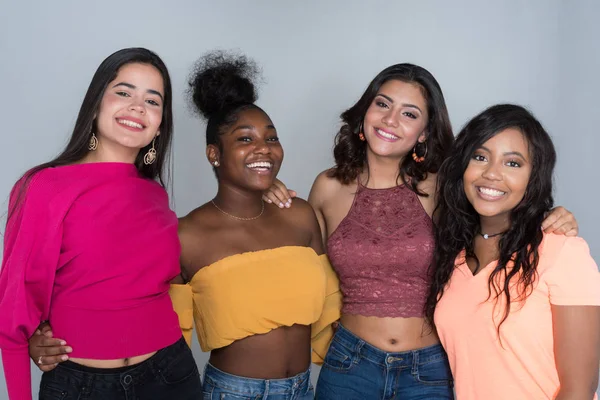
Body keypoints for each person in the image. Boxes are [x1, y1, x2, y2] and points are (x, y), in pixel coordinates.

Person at [28, 51, 341, 400]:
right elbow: (124, 291)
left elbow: (332, 302)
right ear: (214, 154)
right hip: (229, 391)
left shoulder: (298, 214)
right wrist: (40, 331)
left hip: (304, 389)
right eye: (244, 139)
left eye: (271, 138)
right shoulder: (185, 234)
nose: (264, 149)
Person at [263, 64, 579, 399]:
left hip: (428, 370)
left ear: (425, 132)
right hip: (349, 365)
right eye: (382, 104)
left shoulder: (445, 186)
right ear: (365, 112)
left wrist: (554, 217)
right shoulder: (327, 187)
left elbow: (500, 221)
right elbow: (301, 269)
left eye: (409, 113)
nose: (390, 120)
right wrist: (268, 197)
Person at [0, 48, 202, 400]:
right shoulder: (43, 186)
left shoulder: (153, 194)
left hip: (170, 373)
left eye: (152, 101)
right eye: (124, 92)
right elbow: (13, 311)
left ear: (159, 125)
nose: (138, 107)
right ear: (96, 105)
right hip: (81, 386)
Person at [426, 104, 600, 400]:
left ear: (534, 177)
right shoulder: (453, 256)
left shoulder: (562, 251)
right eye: (480, 157)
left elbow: (578, 391)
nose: (492, 174)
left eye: (513, 163)